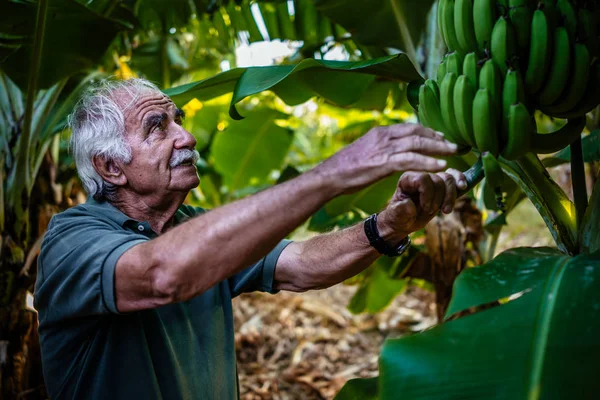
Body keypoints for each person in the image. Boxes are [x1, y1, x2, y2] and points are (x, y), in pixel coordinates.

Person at [34, 78, 466, 399]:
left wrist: (387, 227)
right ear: (111, 168)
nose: (187, 137)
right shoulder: (72, 241)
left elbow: (301, 264)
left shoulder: (193, 228)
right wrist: (332, 175)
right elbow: (160, 273)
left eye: (179, 121)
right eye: (158, 127)